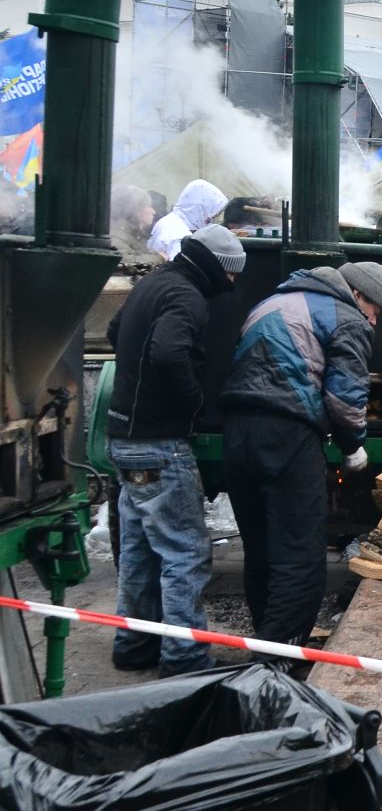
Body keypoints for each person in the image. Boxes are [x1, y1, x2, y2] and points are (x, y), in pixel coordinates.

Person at [223, 259, 382, 664]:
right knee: (300, 557)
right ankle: (274, 662)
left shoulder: (271, 302)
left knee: (260, 549)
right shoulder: (345, 317)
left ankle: (265, 642)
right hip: (287, 435)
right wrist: (353, 448)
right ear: (358, 296)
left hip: (236, 433)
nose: (373, 323)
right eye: (375, 312)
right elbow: (346, 399)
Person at [104, 225, 248, 675]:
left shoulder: (153, 282)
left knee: (141, 549)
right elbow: (169, 352)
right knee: (184, 552)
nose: (231, 288)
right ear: (221, 269)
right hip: (159, 441)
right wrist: (191, 402)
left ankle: (133, 645)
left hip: (123, 437)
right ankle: (184, 656)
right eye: (232, 279)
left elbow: (114, 331)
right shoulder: (186, 296)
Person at [148, 179, 227, 261]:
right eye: (209, 217)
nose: (210, 221)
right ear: (199, 209)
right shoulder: (178, 237)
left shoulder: (172, 220)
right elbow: (180, 270)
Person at [110, 184, 163, 264]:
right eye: (149, 206)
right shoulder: (117, 236)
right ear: (137, 211)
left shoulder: (134, 233)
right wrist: (159, 258)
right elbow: (125, 261)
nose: (153, 211)